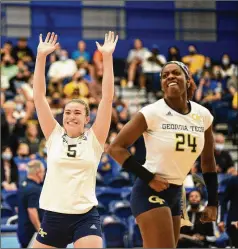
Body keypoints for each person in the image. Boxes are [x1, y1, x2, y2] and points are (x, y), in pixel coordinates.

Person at [108, 61, 218, 248]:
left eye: (176, 73)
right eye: (165, 75)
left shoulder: (203, 115)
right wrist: (148, 178)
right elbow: (115, 148)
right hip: (149, 190)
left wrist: (213, 202)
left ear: (188, 79)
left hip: (177, 193)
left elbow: (207, 161)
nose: (170, 77)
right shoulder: (152, 112)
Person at [31, 31, 118, 248]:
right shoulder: (53, 134)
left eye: (78, 113)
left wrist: (107, 57)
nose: (71, 116)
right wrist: (41, 57)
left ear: (87, 118)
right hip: (53, 216)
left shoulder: (95, 138)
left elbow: (107, 99)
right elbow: (39, 97)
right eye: (68, 112)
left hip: (85, 216)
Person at [17, 160, 45, 248]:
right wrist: (40, 232)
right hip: (32, 233)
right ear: (38, 172)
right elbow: (32, 211)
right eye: (43, 171)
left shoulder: (23, 184)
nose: (44, 174)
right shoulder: (34, 189)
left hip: (22, 230)